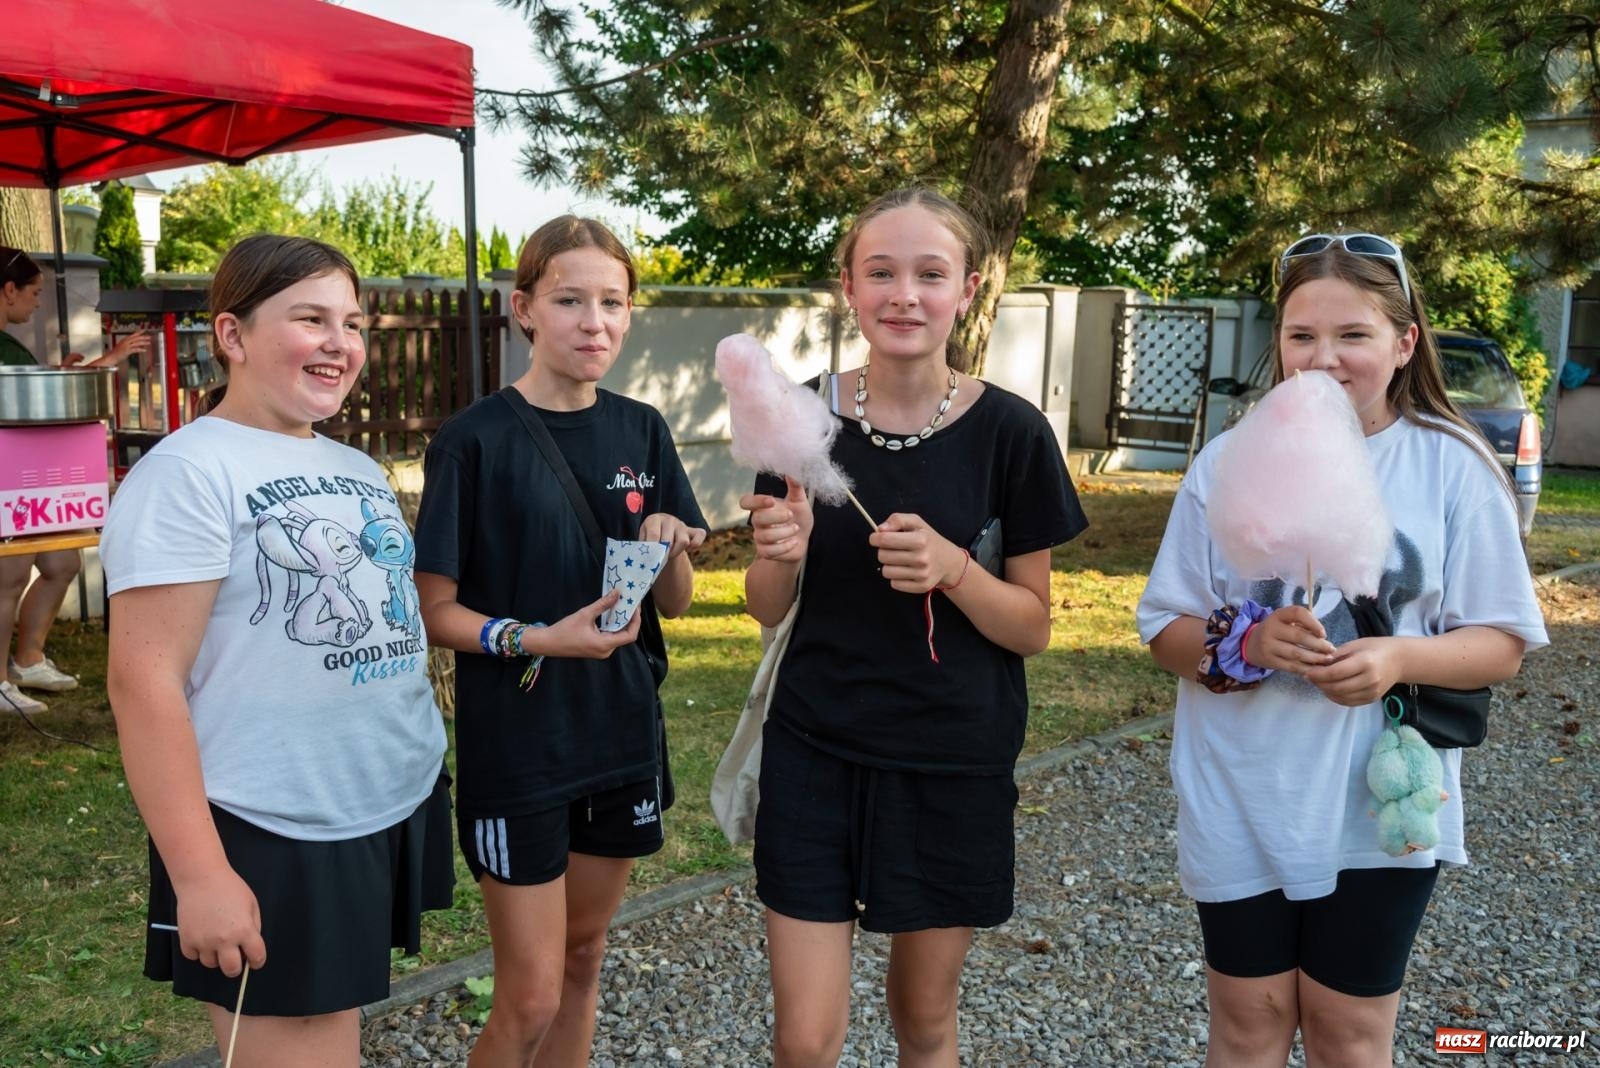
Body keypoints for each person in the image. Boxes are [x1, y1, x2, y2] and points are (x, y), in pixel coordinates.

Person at [1137, 232, 1548, 1068]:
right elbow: (1165, 628)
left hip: (1381, 804)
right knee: (1248, 1025)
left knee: (1349, 1034)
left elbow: (1501, 643)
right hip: (1240, 789)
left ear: (1403, 344)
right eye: (1301, 337)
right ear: (1279, 346)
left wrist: (1398, 660)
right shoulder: (1226, 464)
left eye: (1352, 335)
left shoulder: (1454, 469)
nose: (1323, 359)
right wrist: (1249, 641)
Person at [741, 187, 1086, 1068]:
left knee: (923, 1021)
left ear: (967, 289)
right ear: (849, 289)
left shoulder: (1014, 433)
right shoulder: (799, 417)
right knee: (804, 1040)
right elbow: (765, 606)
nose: (905, 295)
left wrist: (955, 570)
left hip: (950, 761)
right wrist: (782, 550)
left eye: (930, 274)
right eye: (881, 272)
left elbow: (1032, 628)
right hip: (815, 750)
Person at [100, 235, 451, 1068]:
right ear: (232, 334)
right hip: (269, 822)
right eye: (310, 319)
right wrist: (201, 875)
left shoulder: (351, 464)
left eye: (353, 323)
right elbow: (141, 682)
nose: (341, 343)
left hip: (365, 807)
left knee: (335, 1043)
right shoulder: (187, 474)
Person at [413, 215, 707, 1068]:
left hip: (619, 735)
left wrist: (667, 541)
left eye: (612, 302)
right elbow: (434, 610)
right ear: (525, 310)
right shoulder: (473, 441)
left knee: (583, 962)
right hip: (521, 749)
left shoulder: (643, 429)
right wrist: (540, 637)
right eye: (571, 300)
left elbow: (674, 604)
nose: (595, 322)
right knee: (531, 993)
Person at [1, 246, 152, 713]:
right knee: (9, 574)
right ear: (7, 291)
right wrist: (112, 356)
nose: (38, 303)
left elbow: (34, 391)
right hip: (9, 478)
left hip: (32, 478)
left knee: (62, 562)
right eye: (34, 293)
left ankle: (28, 659)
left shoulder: (9, 342)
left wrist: (62, 373)